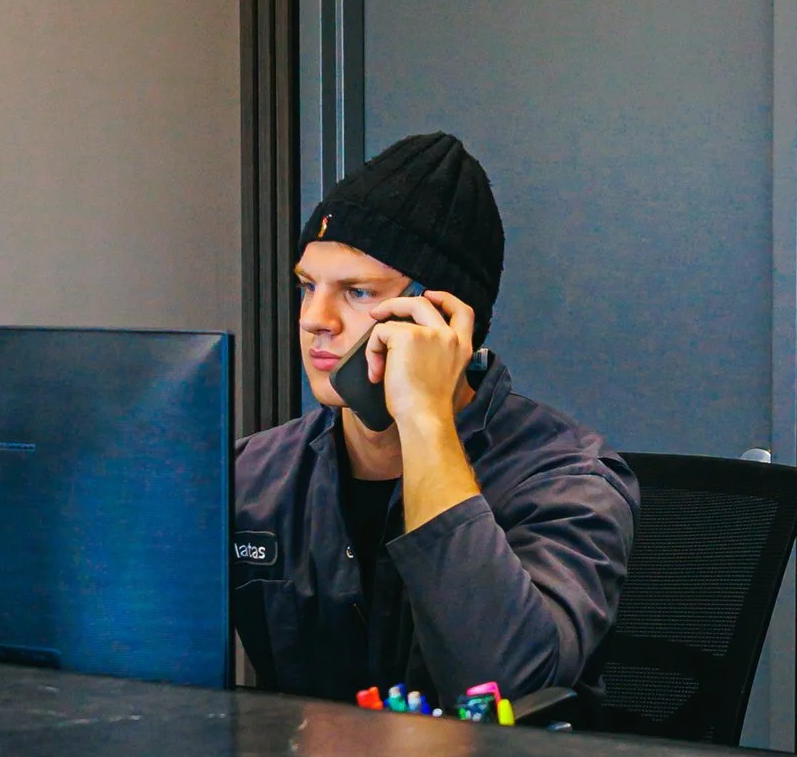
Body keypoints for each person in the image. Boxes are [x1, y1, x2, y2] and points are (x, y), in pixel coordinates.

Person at [231, 130, 635, 710]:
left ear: (441, 315)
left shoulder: (567, 480)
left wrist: (423, 419)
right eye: (307, 286)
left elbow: (499, 688)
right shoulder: (253, 475)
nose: (315, 319)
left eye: (359, 292)